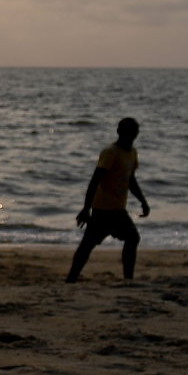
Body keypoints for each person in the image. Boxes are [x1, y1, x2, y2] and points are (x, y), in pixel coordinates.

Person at [66, 117, 150, 283]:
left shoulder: (132, 153)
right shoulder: (110, 152)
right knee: (89, 244)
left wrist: (143, 201)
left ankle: (128, 279)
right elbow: (95, 181)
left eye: (134, 133)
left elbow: (130, 180)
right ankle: (72, 278)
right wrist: (86, 209)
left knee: (130, 238)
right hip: (103, 209)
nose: (130, 136)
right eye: (127, 132)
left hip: (118, 208)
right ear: (119, 132)